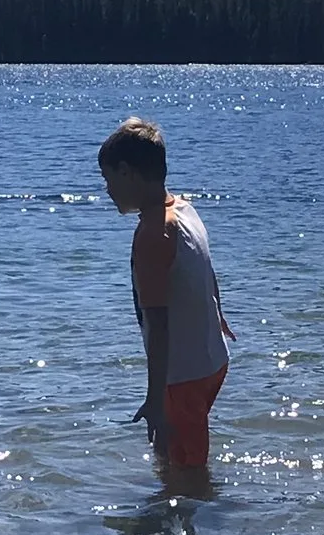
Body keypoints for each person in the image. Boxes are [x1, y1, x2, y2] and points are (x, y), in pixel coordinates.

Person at [97, 116, 232, 489]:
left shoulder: (153, 234)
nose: (107, 191)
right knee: (171, 453)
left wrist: (155, 399)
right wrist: (218, 316)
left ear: (128, 174)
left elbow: (157, 323)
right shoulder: (185, 209)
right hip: (212, 359)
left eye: (109, 180)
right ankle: (171, 505)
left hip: (183, 375)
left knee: (187, 471)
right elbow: (206, 270)